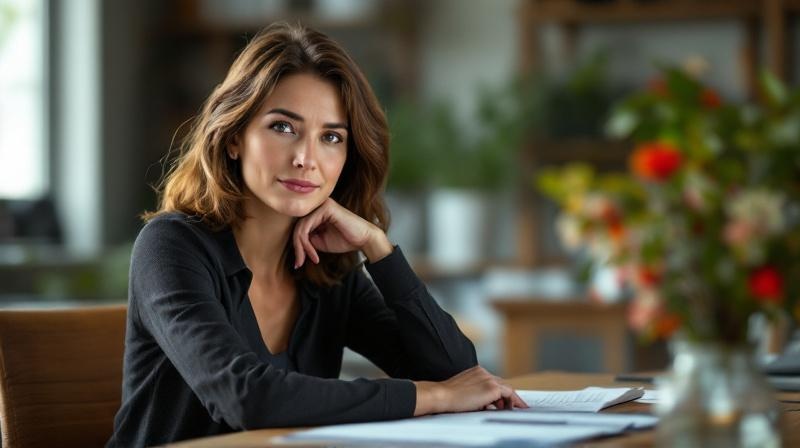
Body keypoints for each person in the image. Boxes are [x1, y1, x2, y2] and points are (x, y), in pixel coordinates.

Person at [107, 22, 526, 448]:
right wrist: (434, 397)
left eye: (330, 137)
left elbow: (457, 373)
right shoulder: (171, 246)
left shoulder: (327, 267)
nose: (306, 158)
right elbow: (247, 398)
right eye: (283, 127)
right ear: (234, 137)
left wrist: (378, 249)